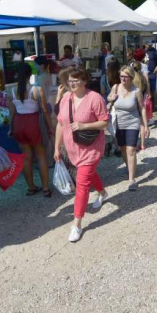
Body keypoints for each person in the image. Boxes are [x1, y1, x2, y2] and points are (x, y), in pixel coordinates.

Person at [54, 68, 110, 243]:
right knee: (89, 174)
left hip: (91, 147)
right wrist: (57, 147)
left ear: (85, 81)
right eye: (70, 80)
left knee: (82, 182)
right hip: (72, 148)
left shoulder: (95, 98)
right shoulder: (65, 99)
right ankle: (103, 193)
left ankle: (77, 224)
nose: (72, 83)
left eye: (76, 80)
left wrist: (84, 126)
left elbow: (105, 122)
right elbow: (60, 125)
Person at [7, 63, 54, 197]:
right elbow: (45, 111)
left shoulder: (10, 91)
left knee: (26, 158)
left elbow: (11, 113)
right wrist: (50, 127)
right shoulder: (37, 89)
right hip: (33, 122)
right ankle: (46, 188)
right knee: (41, 155)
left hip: (19, 123)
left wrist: (11, 128)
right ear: (30, 74)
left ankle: (31, 187)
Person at [107, 66, 149, 191]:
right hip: (118, 123)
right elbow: (109, 98)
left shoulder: (136, 91)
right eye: (121, 76)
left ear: (131, 77)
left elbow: (142, 108)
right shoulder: (115, 87)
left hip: (133, 123)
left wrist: (145, 125)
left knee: (131, 150)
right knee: (123, 149)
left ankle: (132, 179)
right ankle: (128, 167)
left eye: (126, 76)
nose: (123, 79)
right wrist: (111, 98)